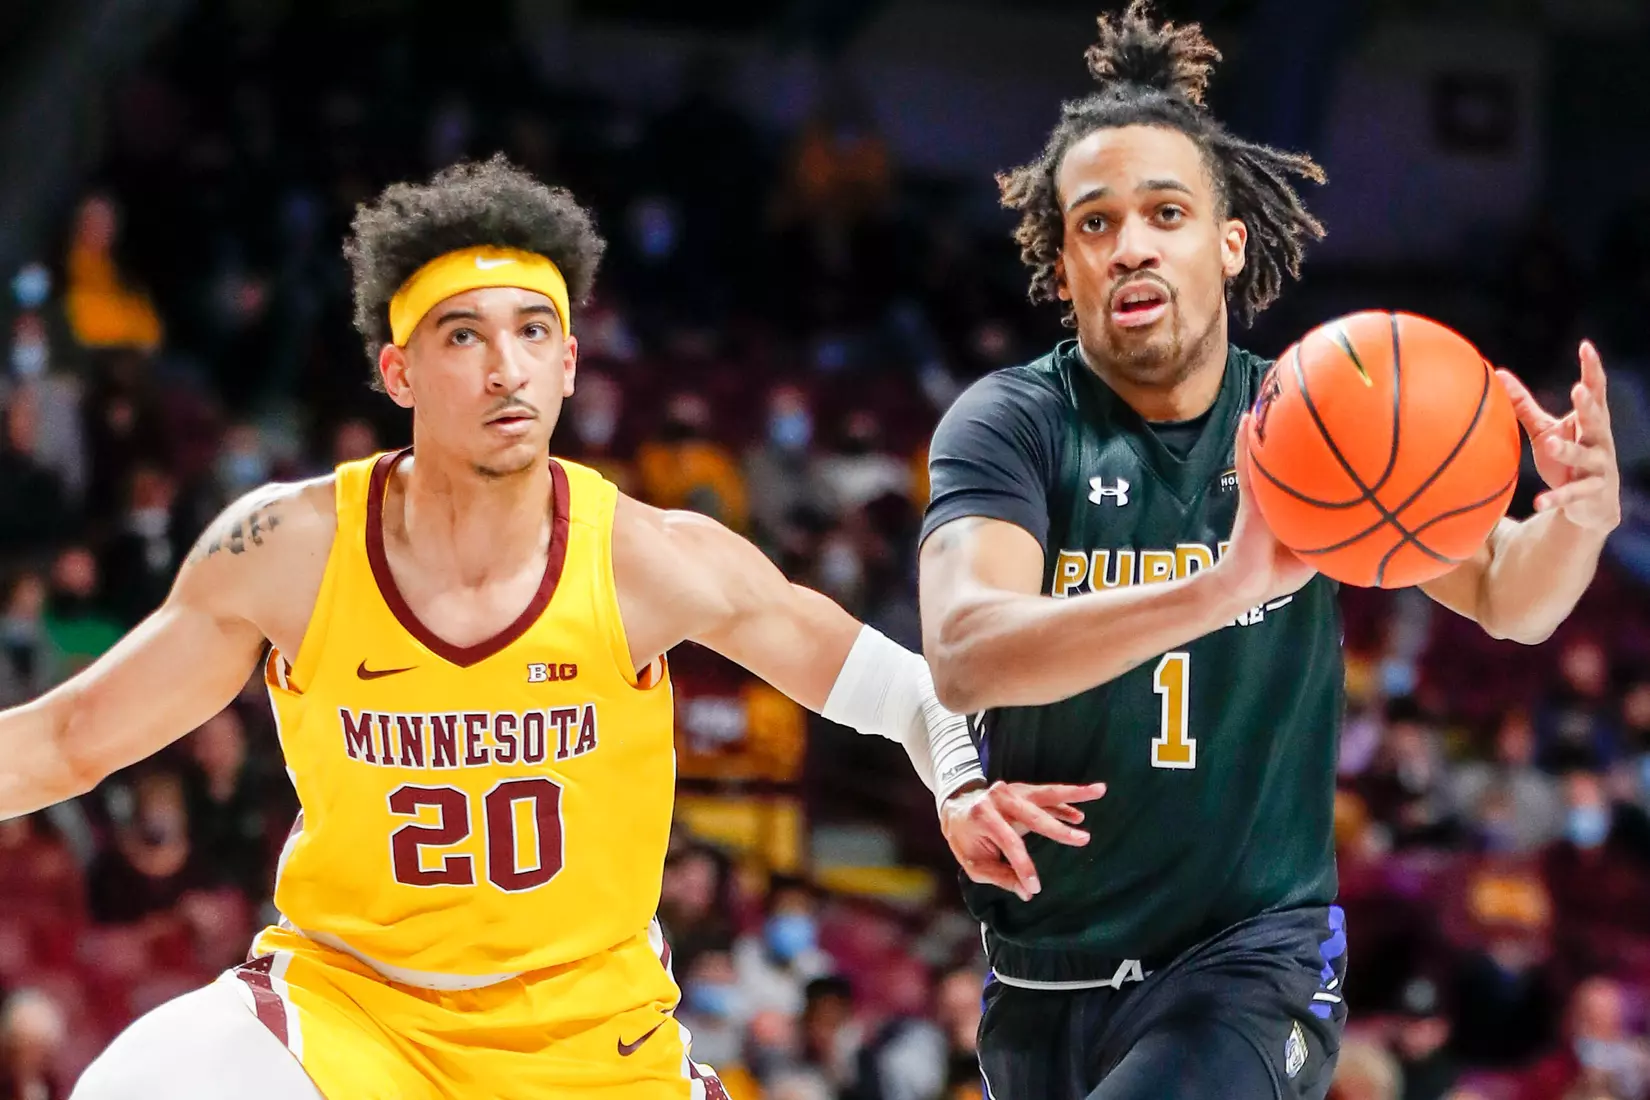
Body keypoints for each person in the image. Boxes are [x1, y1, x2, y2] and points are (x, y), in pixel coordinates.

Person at [0, 156, 1092, 1100]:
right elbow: (70, 738)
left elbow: (899, 688)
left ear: (570, 365)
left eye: (534, 331)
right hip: (354, 1012)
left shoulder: (649, 558)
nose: (505, 364)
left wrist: (956, 782)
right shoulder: (292, 548)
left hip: (589, 1042)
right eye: (462, 335)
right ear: (397, 370)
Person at [917, 5, 1622, 1099]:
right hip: (1041, 973)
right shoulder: (1012, 425)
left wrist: (1574, 520)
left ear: (1230, 240)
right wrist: (1224, 586)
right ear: (1062, 264)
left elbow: (1509, 598)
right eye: (1094, 224)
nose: (1131, 244)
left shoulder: (1317, 422)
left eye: (1166, 211)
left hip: (1251, 961)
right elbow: (966, 647)